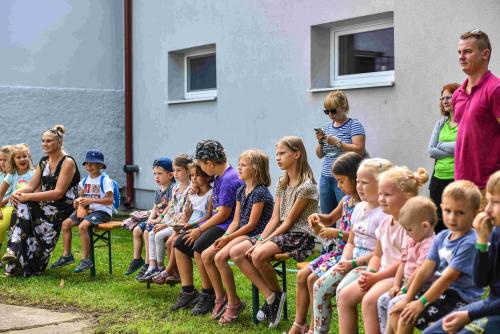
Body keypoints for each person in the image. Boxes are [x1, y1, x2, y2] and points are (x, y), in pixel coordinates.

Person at [230, 136, 319, 328]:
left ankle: (277, 294)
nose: (277, 158)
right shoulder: (282, 181)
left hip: (298, 235)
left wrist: (261, 243)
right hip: (280, 232)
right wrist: (262, 238)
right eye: (276, 154)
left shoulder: (307, 186)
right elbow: (275, 219)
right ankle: (272, 297)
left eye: (282, 153)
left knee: (258, 254)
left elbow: (288, 222)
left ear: (297, 154)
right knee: (236, 252)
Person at [337, 166, 428, 334]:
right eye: (380, 194)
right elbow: (378, 254)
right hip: (381, 272)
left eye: (387, 195)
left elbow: (404, 261)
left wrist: (376, 276)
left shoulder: (409, 226)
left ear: (405, 198)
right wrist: (370, 272)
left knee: (370, 300)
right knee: (345, 296)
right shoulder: (385, 222)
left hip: (399, 276)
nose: (381, 199)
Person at [388, 180, 483, 334]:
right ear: (441, 208)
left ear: (475, 213)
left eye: (460, 213)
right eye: (448, 211)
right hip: (441, 292)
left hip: (461, 298)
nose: (452, 217)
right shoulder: (442, 236)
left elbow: (448, 278)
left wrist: (420, 302)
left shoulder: (470, 242)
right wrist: (407, 297)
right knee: (397, 310)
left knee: (406, 316)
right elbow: (425, 269)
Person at [311, 158, 392, 334]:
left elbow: (381, 253)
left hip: (369, 265)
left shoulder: (384, 214)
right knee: (319, 286)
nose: (359, 187)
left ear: (381, 184)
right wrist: (345, 260)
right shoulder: (359, 207)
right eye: (359, 182)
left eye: (364, 183)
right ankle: (318, 331)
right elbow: (351, 242)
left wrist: (352, 264)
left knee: (342, 293)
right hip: (351, 261)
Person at [289, 152, 363, 334]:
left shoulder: (364, 206)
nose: (338, 185)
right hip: (338, 253)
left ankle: (316, 329)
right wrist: (317, 216)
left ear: (356, 178)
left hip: (351, 256)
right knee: (303, 276)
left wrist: (337, 233)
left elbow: (360, 237)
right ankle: (306, 326)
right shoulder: (346, 201)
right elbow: (330, 218)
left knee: (313, 279)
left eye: (341, 181)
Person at [201, 149, 274, 324]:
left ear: (255, 168)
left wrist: (228, 238)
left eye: (243, 165)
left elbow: (251, 224)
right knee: (206, 255)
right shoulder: (241, 190)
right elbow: (236, 221)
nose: (238, 168)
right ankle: (222, 298)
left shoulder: (261, 192)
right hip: (241, 233)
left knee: (219, 257)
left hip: (255, 234)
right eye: (239, 165)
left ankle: (233, 303)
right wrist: (226, 235)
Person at [172, 140, 243, 316]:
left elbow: (224, 214)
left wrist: (200, 230)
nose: (201, 169)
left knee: (199, 246)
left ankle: (209, 294)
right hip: (218, 223)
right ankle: (188, 291)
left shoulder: (228, 179)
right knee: (180, 243)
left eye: (202, 165)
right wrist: (195, 226)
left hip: (228, 226)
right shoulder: (220, 176)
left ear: (210, 163)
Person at [423, 171, 500, 334]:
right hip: (492, 303)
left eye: (495, 202)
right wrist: (482, 243)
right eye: (488, 201)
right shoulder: (496, 234)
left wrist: (469, 314)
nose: (487, 209)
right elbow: (482, 281)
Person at [2, 125, 80, 277]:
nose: (45, 144)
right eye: (43, 141)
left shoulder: (67, 162)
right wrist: (17, 193)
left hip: (63, 207)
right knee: (22, 206)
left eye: (49, 141)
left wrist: (28, 197)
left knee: (26, 206)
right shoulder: (44, 161)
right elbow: (30, 186)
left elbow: (58, 193)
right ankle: (14, 255)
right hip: (46, 204)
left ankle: (15, 254)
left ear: (59, 142)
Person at [377, 196, 436, 333]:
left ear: (425, 226)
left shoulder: (429, 244)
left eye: (409, 230)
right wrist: (397, 285)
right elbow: (402, 264)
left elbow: (420, 272)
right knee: (383, 300)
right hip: (406, 285)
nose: (408, 234)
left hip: (422, 288)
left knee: (394, 305)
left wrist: (404, 290)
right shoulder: (412, 240)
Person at [51, 150, 114, 273]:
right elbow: (80, 197)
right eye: (87, 164)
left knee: (83, 226)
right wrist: (77, 202)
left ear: (100, 166)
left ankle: (86, 259)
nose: (89, 167)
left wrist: (90, 200)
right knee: (65, 224)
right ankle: (66, 255)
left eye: (93, 164)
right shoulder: (84, 181)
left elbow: (109, 200)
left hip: (102, 212)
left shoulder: (105, 180)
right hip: (87, 211)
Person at [453, 30, 500, 191]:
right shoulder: (457, 94)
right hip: (461, 185)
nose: (461, 56)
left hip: (489, 187)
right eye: (459, 52)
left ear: (485, 54)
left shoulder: (495, 89)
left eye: (467, 51)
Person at [152, 161, 213, 285]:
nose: (194, 178)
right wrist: (179, 225)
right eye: (192, 176)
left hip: (200, 224)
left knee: (174, 240)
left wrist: (189, 225)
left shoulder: (210, 194)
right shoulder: (193, 193)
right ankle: (173, 272)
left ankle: (168, 271)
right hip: (189, 223)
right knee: (172, 238)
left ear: (207, 177)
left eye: (197, 175)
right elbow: (188, 213)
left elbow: (208, 216)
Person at [138, 154, 191, 282]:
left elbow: (184, 214)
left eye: (179, 170)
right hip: (170, 221)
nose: (175, 173)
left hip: (178, 225)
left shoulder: (190, 189)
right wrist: (161, 220)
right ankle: (152, 266)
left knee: (158, 235)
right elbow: (171, 207)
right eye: (174, 170)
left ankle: (161, 267)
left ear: (188, 171)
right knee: (151, 233)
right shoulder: (176, 188)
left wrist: (166, 225)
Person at [315, 91, 366, 215]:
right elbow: (320, 155)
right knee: (327, 216)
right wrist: (321, 142)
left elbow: (359, 150)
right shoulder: (327, 127)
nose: (330, 115)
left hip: (345, 177)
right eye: (327, 111)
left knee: (348, 215)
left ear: (343, 108)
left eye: (333, 111)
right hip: (326, 177)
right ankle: (329, 235)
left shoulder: (354, 125)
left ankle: (346, 235)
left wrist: (338, 143)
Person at [124, 157, 175, 276]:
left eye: (160, 174)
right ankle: (137, 259)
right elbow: (155, 207)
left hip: (166, 219)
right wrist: (151, 218)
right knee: (137, 230)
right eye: (155, 174)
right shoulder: (158, 190)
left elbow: (170, 207)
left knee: (147, 232)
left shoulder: (173, 189)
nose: (156, 177)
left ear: (170, 174)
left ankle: (148, 263)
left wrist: (158, 219)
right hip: (156, 218)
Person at [428, 83, 460, 232]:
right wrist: (454, 147)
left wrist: (442, 144)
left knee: (456, 220)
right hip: (438, 179)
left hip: (457, 177)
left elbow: (464, 147)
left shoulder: (465, 122)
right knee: (437, 221)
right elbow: (431, 151)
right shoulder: (440, 124)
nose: (445, 101)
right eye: (443, 98)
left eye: (449, 97)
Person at [0, 144, 35, 263]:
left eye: (24, 156)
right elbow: (0, 193)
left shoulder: (34, 174)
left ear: (29, 157)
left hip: (31, 207)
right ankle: (12, 254)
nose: (22, 159)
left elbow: (39, 192)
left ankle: (13, 251)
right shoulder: (11, 175)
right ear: (13, 160)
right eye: (18, 157)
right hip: (16, 208)